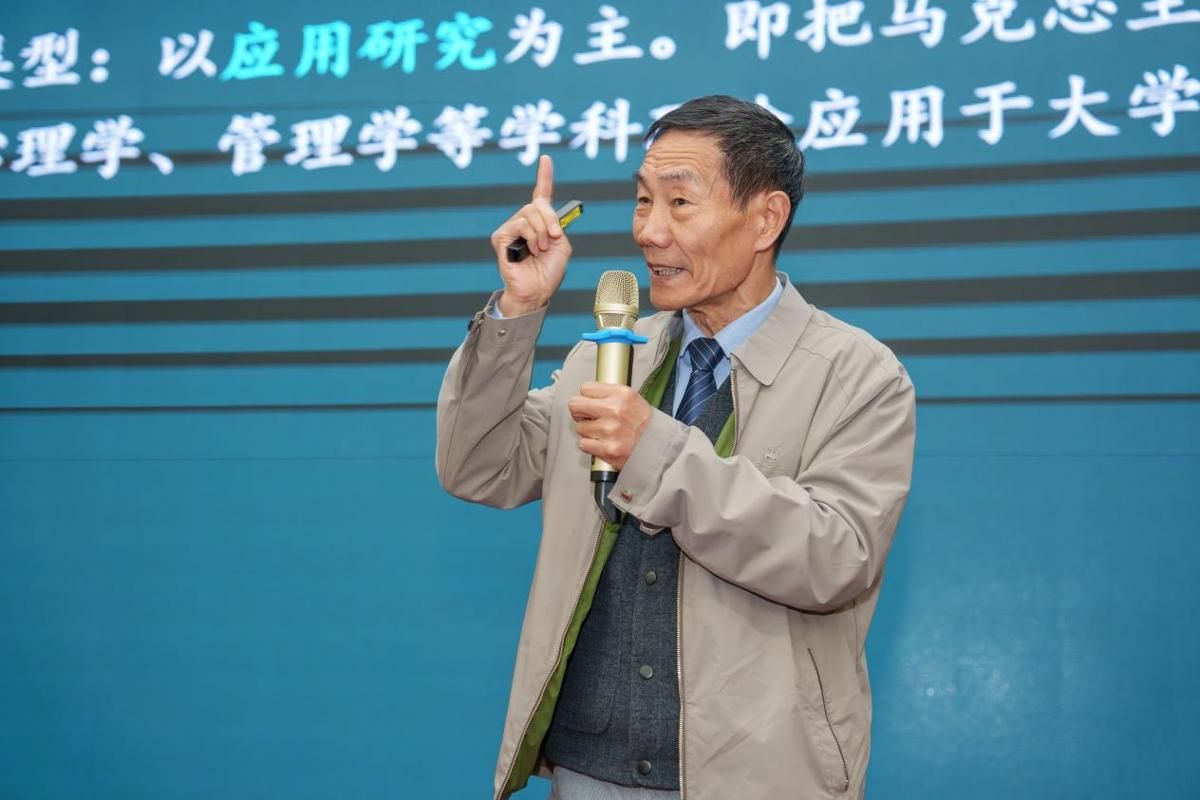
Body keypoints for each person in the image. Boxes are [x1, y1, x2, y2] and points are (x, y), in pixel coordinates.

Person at [436, 95, 916, 800]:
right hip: (588, 771)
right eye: (642, 200)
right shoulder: (609, 356)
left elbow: (835, 559)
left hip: (754, 779)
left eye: (680, 203)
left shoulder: (858, 375)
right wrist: (518, 311)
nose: (649, 232)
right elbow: (480, 466)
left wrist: (656, 452)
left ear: (766, 219)